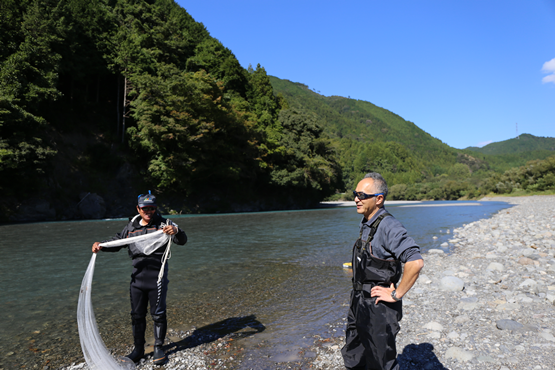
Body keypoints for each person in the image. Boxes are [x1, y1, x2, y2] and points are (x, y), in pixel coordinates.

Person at [92, 191, 187, 365]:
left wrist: (177, 230)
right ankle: (138, 350)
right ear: (138, 208)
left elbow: (182, 240)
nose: (148, 211)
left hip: (157, 278)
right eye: (145, 208)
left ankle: (159, 348)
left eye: (151, 208)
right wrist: (101, 246)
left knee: (158, 314)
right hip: (137, 279)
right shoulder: (131, 227)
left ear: (155, 208)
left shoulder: (165, 224)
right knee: (137, 315)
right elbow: (118, 242)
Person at [341, 173, 424, 370]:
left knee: (380, 363)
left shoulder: (389, 225)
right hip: (359, 302)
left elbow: (416, 262)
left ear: (379, 199)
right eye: (355, 194)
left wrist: (396, 294)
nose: (356, 199)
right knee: (354, 355)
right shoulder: (367, 222)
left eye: (361, 195)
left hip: (378, 307)